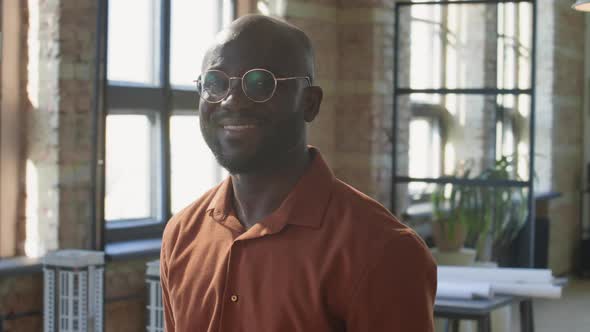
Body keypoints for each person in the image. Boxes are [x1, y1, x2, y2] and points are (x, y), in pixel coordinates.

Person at [160, 14, 436, 332]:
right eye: (215, 83)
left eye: (259, 83)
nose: (232, 100)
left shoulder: (383, 250)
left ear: (309, 104)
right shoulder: (182, 235)